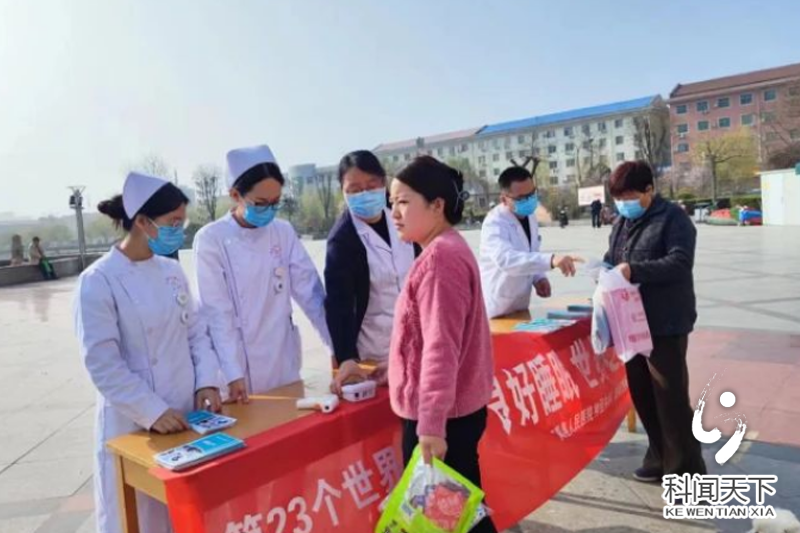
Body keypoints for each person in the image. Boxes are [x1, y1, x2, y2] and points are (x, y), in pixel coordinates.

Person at [74, 172, 222, 533]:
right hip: (133, 421)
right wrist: (153, 411)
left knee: (183, 513)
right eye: (173, 222)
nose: (179, 230)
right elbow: (103, 365)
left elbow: (195, 332)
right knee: (138, 517)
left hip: (184, 415)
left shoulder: (171, 271)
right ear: (142, 222)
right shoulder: (99, 280)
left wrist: (206, 382)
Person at [388, 156, 497, 533]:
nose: (394, 213)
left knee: (449, 521)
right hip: (454, 410)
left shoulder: (440, 259)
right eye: (392, 202)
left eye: (404, 202)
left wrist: (431, 425)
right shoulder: (446, 248)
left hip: (442, 418)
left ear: (437, 205)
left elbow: (441, 346)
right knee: (459, 517)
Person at [193, 144, 332, 400]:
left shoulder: (283, 232)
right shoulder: (211, 239)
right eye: (260, 203)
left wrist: (335, 348)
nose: (268, 210)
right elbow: (216, 311)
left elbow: (311, 294)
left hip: (282, 363)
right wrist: (233, 372)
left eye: (275, 203)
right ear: (235, 195)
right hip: (236, 369)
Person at [603, 161, 706, 482]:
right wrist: (604, 269)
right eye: (618, 198)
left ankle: (686, 472)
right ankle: (659, 456)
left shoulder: (673, 218)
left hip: (665, 322)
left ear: (650, 189)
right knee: (643, 394)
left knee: (670, 399)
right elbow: (613, 257)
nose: (624, 203)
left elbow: (679, 262)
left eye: (630, 197)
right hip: (631, 322)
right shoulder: (622, 221)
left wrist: (634, 270)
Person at [325, 150, 418, 392]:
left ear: (383, 182)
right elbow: (339, 304)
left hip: (418, 339)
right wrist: (346, 357)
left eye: (371, 185)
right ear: (343, 192)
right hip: (375, 351)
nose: (364, 194)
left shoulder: (404, 216)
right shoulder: (343, 239)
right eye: (354, 189)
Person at [479, 166, 580, 319]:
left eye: (532, 194)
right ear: (504, 199)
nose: (528, 201)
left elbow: (531, 251)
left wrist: (538, 277)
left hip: (520, 304)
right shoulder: (494, 223)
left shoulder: (530, 216)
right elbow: (507, 260)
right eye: (521, 198)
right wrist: (551, 260)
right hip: (497, 305)